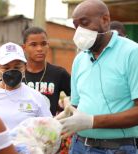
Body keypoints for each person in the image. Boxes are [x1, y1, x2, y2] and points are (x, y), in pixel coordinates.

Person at [58, 0, 138, 153]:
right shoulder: (79, 59)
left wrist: (92, 121)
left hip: (116, 148)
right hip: (79, 145)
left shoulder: (132, 53)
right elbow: (76, 106)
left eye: (85, 22)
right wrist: (54, 123)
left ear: (105, 20)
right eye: (76, 26)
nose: (79, 30)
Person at [0, 42, 52, 130]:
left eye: (17, 67)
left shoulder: (36, 97)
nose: (12, 72)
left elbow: (49, 131)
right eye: (6, 68)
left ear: (25, 67)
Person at [22, 26, 71, 116]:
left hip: (49, 128)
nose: (40, 49)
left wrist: (65, 105)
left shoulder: (58, 73)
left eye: (43, 44)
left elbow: (78, 98)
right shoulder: (17, 74)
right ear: (24, 48)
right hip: (21, 128)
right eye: (33, 45)